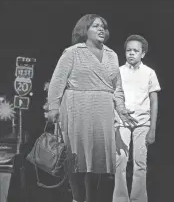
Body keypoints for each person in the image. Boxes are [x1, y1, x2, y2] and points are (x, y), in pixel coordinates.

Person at [47, 14, 137, 202]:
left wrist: (121, 108)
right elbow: (57, 81)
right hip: (76, 107)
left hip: (102, 110)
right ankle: (78, 198)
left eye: (103, 26)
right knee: (76, 156)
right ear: (84, 30)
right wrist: (53, 107)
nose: (101, 29)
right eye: (95, 26)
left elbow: (117, 87)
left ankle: (91, 198)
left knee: (97, 158)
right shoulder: (73, 52)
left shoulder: (112, 55)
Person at [113, 34, 161, 202]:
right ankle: (120, 199)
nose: (131, 53)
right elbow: (114, 97)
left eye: (135, 50)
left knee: (140, 162)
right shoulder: (118, 71)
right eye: (128, 50)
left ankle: (138, 199)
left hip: (143, 123)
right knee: (120, 160)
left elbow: (154, 101)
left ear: (143, 53)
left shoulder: (149, 73)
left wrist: (152, 128)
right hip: (122, 121)